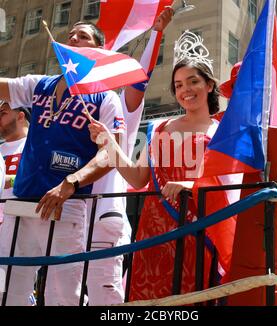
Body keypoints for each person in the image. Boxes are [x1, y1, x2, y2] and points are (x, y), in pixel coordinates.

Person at [89, 30, 235, 300]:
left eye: (193, 82)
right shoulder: (159, 129)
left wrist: (191, 185)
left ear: (210, 85)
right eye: (178, 85)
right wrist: (108, 142)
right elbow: (137, 178)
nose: (185, 90)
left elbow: (230, 188)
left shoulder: (222, 132)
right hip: (153, 232)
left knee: (190, 297)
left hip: (197, 229)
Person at [0, 22, 125, 306]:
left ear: (99, 50)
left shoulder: (106, 97)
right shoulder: (39, 84)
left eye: (83, 36)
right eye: (70, 35)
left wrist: (70, 183)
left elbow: (111, 153)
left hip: (66, 205)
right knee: (7, 291)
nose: (73, 39)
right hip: (21, 202)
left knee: (62, 296)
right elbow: (4, 87)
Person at [86, 7, 174, 305]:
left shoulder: (119, 107)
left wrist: (157, 32)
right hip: (66, 216)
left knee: (105, 299)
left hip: (103, 220)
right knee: (60, 294)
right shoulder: (61, 106)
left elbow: (140, 80)